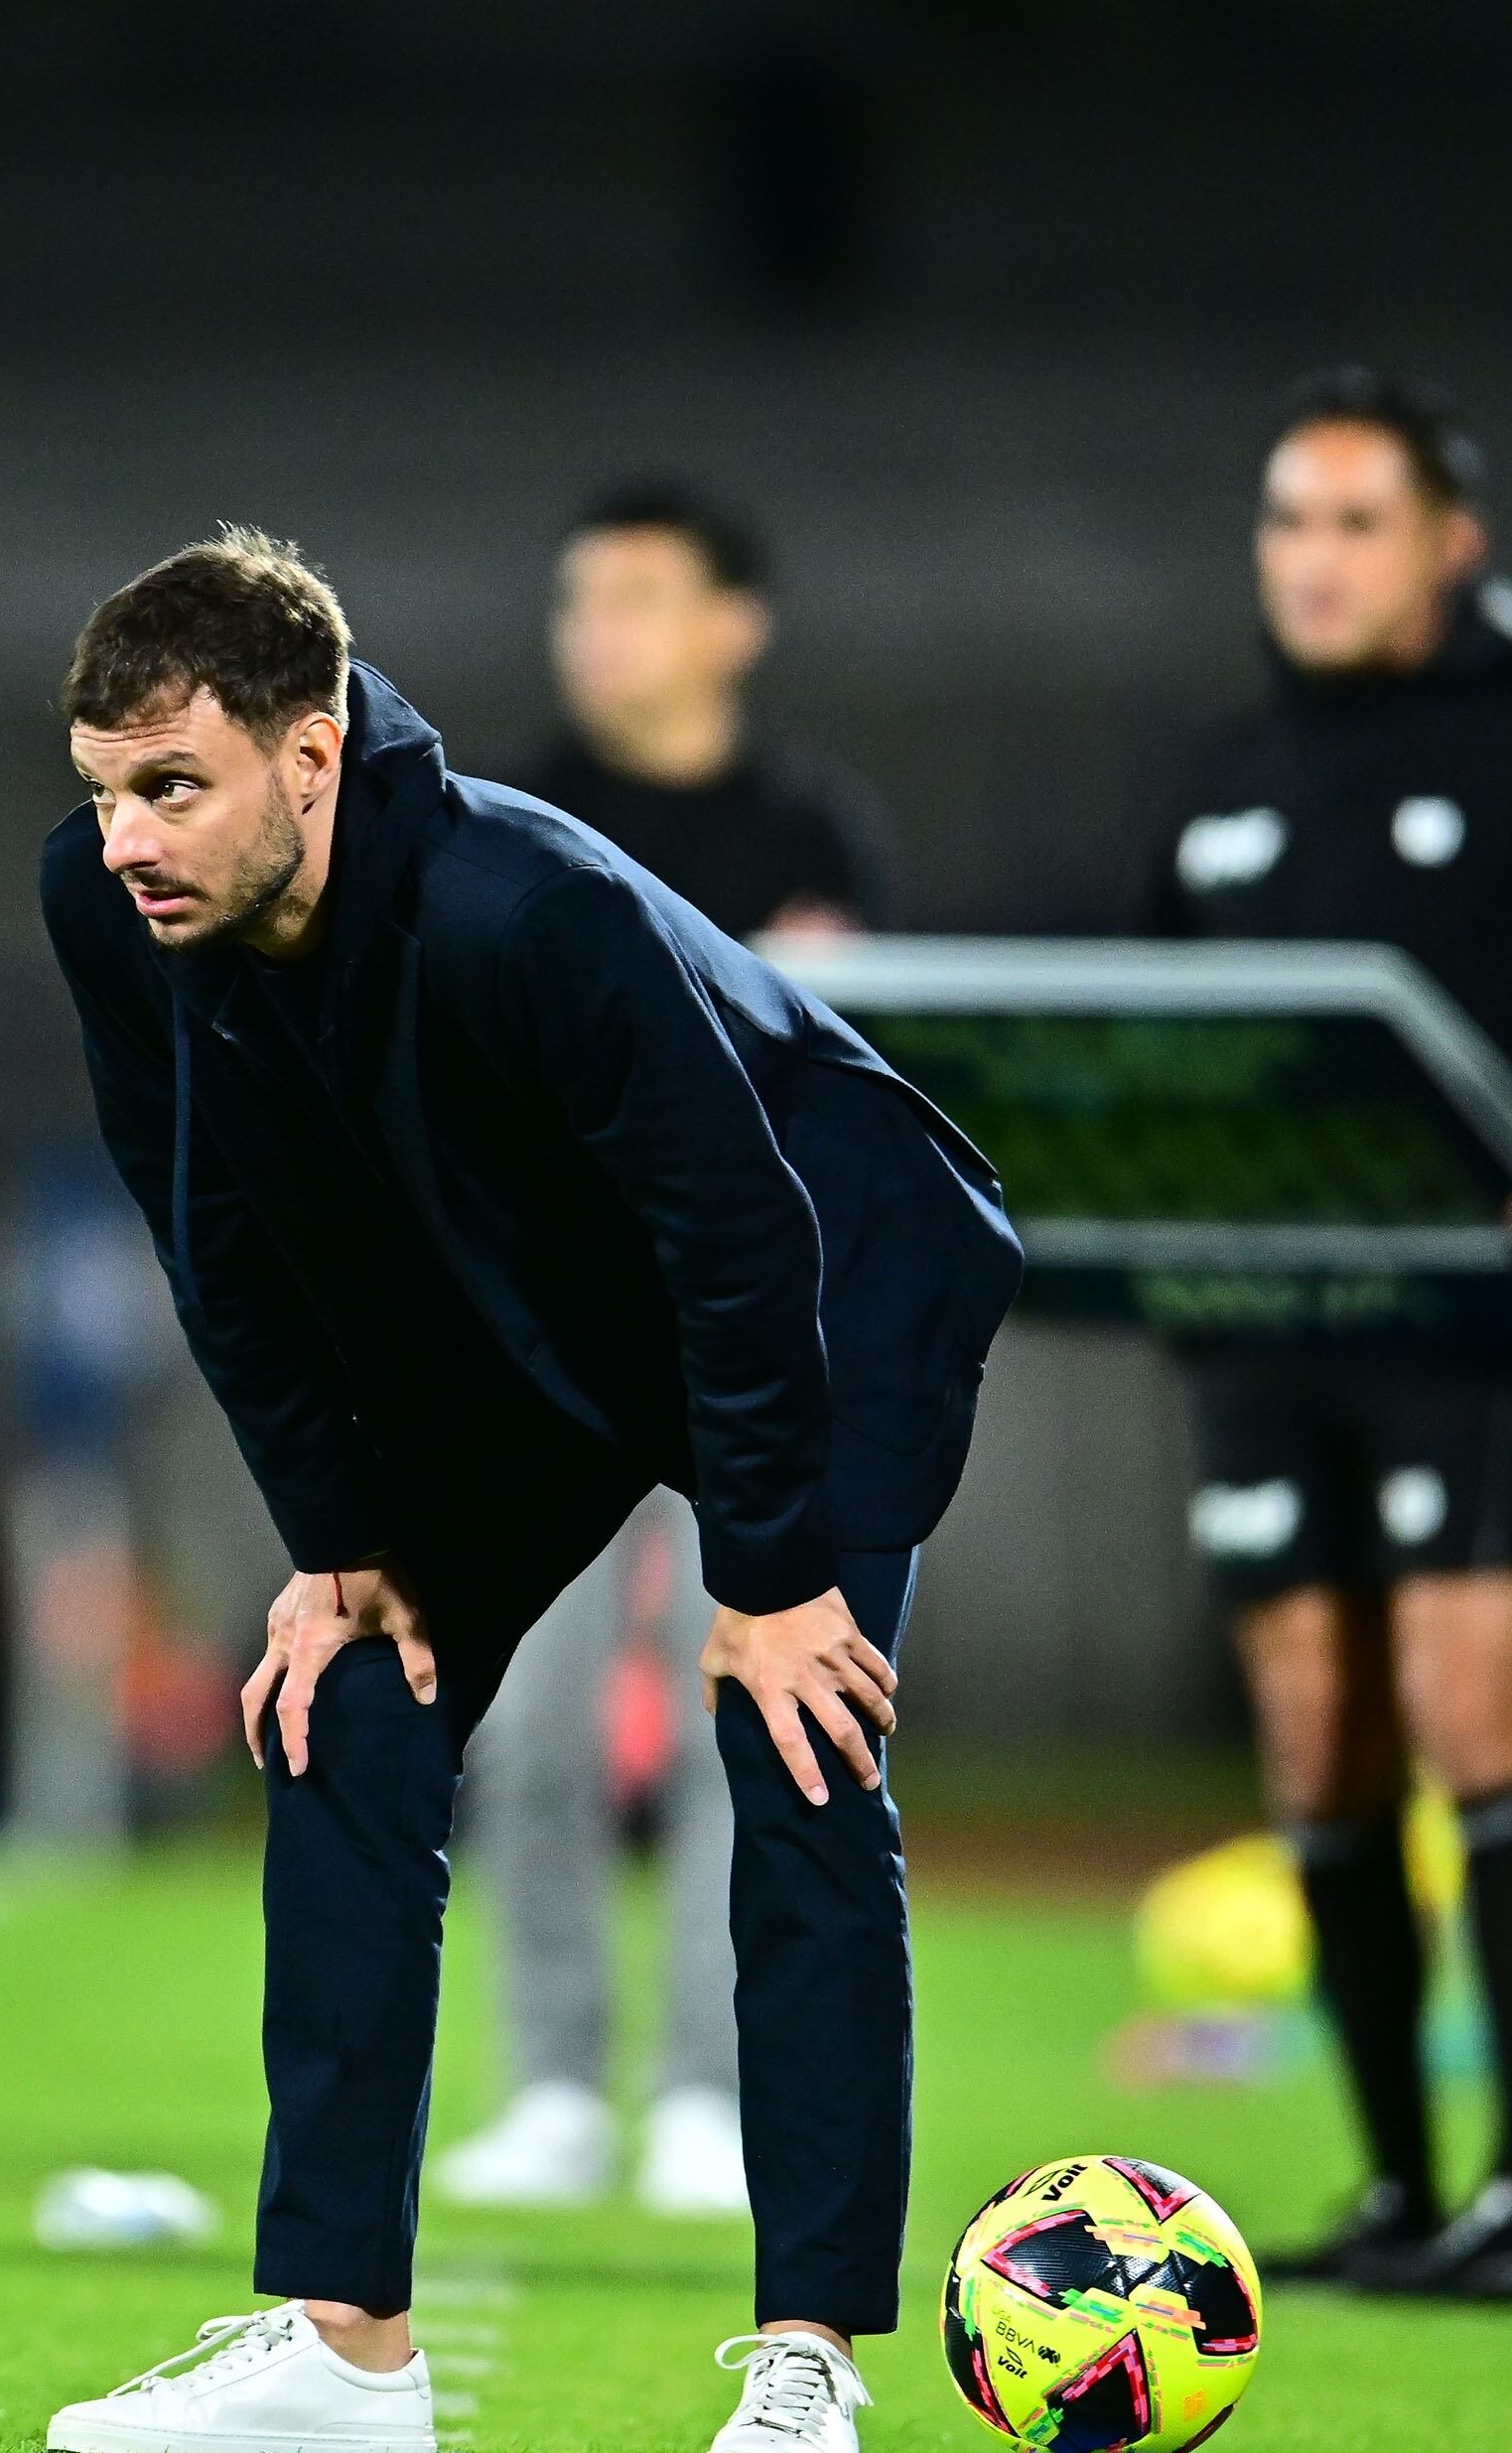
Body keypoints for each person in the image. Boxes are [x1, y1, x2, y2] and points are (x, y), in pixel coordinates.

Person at [32, 530, 1021, 2453]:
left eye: (172, 785)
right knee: (350, 1704)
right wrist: (336, 1542)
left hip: (823, 1273)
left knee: (794, 1738)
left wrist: (763, 1572)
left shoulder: (519, 898)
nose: (126, 836)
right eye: (101, 788)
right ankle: (339, 2346)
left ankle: (805, 2362)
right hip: (540, 1321)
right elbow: (202, 1224)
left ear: (309, 758)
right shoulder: (107, 906)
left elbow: (737, 1235)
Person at [1140, 370, 1512, 2305]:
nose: (1310, 559)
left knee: (1476, 1709)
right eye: (1283, 522)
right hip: (1253, 1320)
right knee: (1316, 1741)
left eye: (1352, 521)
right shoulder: (1219, 778)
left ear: (1446, 545)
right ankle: (1396, 2189)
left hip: (1459, 1319)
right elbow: (1143, 1042)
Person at [440, 484, 908, 2218]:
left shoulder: (815, 830)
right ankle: (557, 2084)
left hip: (756, 1347)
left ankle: (713, 2090)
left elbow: (858, 1100)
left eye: (641, 594)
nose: (600, 631)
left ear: (737, 621)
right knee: (535, 1724)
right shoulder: (509, 811)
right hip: (558, 1341)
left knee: (758, 1706)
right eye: (582, 599)